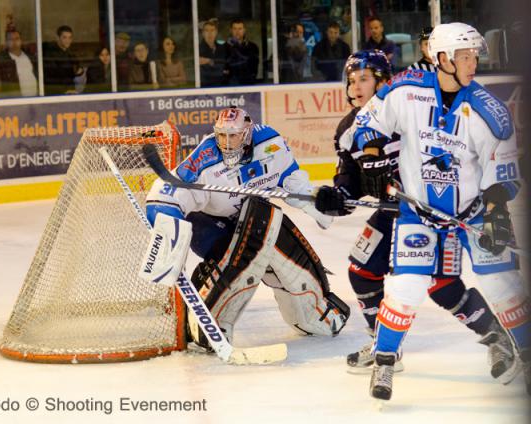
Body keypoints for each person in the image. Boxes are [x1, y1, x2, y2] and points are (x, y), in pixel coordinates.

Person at [352, 23, 530, 400]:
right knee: (406, 286)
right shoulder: (406, 90)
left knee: (503, 285)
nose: (474, 63)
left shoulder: (488, 111)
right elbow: (366, 121)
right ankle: (384, 362)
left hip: (474, 212)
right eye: (466, 56)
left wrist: (497, 210)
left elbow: (506, 172)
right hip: (419, 212)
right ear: (443, 58)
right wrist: (372, 158)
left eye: (475, 55)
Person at [315, 49, 516, 380]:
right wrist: (338, 196)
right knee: (361, 271)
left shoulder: (403, 108)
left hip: (431, 212)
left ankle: (498, 335)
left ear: (383, 82)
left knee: (441, 284)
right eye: (351, 81)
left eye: (364, 79)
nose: (355, 87)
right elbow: (351, 179)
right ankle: (384, 344)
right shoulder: (349, 128)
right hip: (393, 212)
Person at [145, 107, 350, 350]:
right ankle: (208, 323)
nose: (227, 143)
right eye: (222, 136)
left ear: (247, 134)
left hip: (251, 218)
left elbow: (291, 179)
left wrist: (319, 205)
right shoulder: (206, 159)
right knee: (259, 222)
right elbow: (163, 196)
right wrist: (169, 233)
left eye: (234, 136)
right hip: (211, 227)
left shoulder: (270, 143)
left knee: (268, 225)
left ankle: (314, 316)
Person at [0, 30, 38, 98]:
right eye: (11, 39)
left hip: (36, 98)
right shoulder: (0, 59)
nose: (14, 42)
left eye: (17, 38)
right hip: (15, 100)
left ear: (21, 40)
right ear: (6, 42)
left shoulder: (30, 56)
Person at [43, 25, 83, 95]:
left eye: (70, 38)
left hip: (70, 91)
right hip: (56, 93)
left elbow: (78, 67)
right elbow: (52, 77)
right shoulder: (50, 54)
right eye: (64, 37)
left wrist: (79, 71)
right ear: (58, 38)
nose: (68, 40)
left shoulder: (70, 53)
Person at [226, 18, 259, 85]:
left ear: (244, 30)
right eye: (234, 29)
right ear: (231, 30)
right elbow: (225, 68)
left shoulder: (252, 46)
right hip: (230, 85)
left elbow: (253, 67)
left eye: (240, 28)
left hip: (249, 84)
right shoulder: (225, 47)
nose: (237, 31)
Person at [199, 19, 228, 87]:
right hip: (205, 88)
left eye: (212, 30)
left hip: (223, 87)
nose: (210, 33)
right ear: (203, 33)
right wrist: (220, 69)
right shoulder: (198, 49)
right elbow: (203, 73)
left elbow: (227, 67)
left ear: (216, 32)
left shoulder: (223, 48)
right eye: (207, 30)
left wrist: (210, 61)